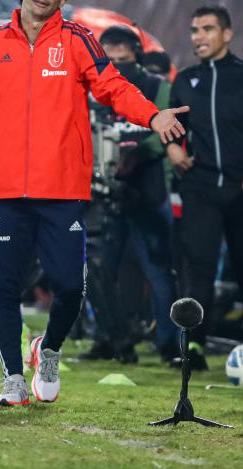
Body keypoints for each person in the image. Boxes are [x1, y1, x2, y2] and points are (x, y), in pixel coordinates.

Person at [0, 0, 186, 406]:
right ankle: (14, 381)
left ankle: (51, 350)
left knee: (68, 286)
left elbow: (113, 87)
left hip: (62, 190)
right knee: (2, 287)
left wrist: (153, 115)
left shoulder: (79, 41)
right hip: (4, 192)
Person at [165, 6, 243, 371]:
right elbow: (172, 127)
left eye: (207, 29)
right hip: (200, 187)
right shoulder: (184, 79)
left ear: (227, 34)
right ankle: (193, 346)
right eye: (195, 29)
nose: (198, 36)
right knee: (199, 267)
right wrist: (173, 149)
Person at [82, 26, 178, 363]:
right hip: (103, 192)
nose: (116, 54)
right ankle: (108, 338)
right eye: (108, 48)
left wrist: (136, 154)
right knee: (101, 269)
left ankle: (169, 344)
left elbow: (166, 130)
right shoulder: (91, 89)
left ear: (136, 51)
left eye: (121, 47)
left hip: (147, 190)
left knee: (157, 269)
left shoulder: (157, 86)